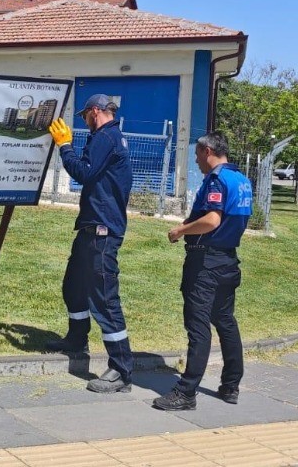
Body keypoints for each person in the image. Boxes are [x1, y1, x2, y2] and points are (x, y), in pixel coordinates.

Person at [153, 132, 252, 411]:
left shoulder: (217, 179)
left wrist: (180, 231)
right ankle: (231, 385)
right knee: (225, 321)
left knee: (198, 326)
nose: (196, 161)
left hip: (205, 263)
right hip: (228, 261)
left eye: (197, 154)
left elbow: (212, 220)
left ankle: (186, 392)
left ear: (208, 151)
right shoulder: (242, 180)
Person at [47, 94, 135, 393]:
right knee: (73, 285)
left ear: (96, 112)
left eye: (86, 115)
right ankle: (76, 338)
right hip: (91, 228)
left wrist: (65, 145)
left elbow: (83, 172)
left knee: (104, 298)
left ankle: (121, 369)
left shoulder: (105, 137)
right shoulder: (110, 137)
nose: (84, 120)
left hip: (102, 231)